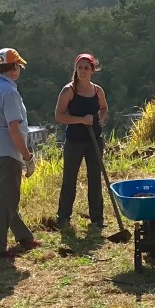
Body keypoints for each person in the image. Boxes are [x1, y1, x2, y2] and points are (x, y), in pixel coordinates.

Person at [0, 47, 40, 259]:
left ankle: (24, 237)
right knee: (4, 202)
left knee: (7, 198)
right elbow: (14, 129)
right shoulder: (10, 92)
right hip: (6, 150)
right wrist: (27, 157)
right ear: (15, 67)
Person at [55, 53, 109, 229]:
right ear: (75, 70)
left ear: (93, 70)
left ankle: (97, 218)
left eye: (86, 68)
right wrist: (81, 120)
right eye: (80, 67)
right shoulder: (69, 91)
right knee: (69, 179)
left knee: (95, 179)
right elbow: (59, 116)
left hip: (94, 141)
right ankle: (63, 218)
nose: (82, 71)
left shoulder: (97, 90)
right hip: (74, 142)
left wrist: (100, 118)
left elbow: (104, 107)